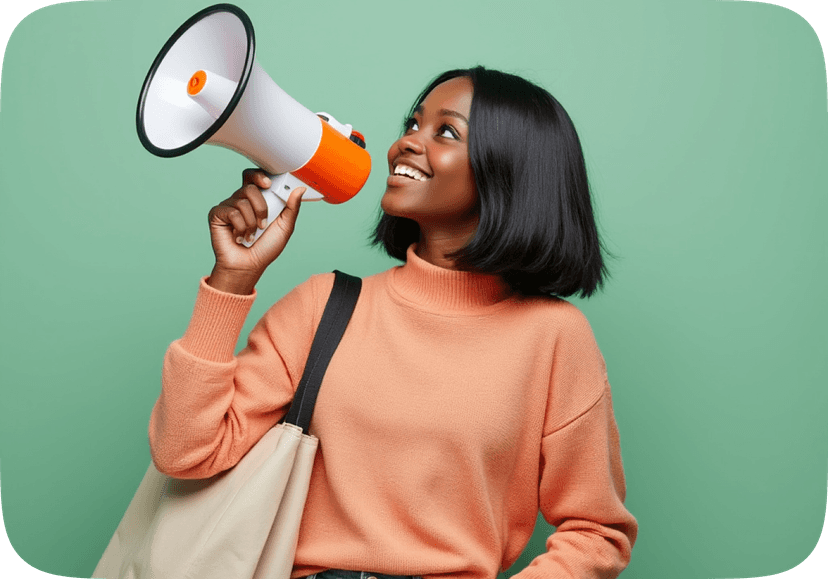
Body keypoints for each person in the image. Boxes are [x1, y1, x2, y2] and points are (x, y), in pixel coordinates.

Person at [149, 66, 638, 579]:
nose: (405, 143)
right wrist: (231, 279)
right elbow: (184, 452)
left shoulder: (555, 337)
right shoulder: (323, 307)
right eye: (412, 124)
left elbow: (594, 531)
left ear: (512, 168)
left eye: (445, 132)